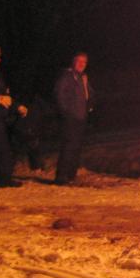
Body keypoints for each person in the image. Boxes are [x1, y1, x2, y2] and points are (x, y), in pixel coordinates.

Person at [54, 52, 94, 186]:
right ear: (73, 62)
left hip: (81, 117)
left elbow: (89, 94)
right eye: (79, 61)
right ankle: (61, 176)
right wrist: (66, 112)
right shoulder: (67, 76)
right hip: (70, 117)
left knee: (76, 146)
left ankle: (71, 174)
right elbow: (59, 94)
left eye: (84, 62)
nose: (82, 64)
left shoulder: (83, 77)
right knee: (68, 146)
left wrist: (90, 105)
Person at [0, 45, 28, 188]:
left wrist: (17, 106)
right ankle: (4, 179)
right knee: (2, 149)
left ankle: (4, 179)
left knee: (2, 149)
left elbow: (5, 96)